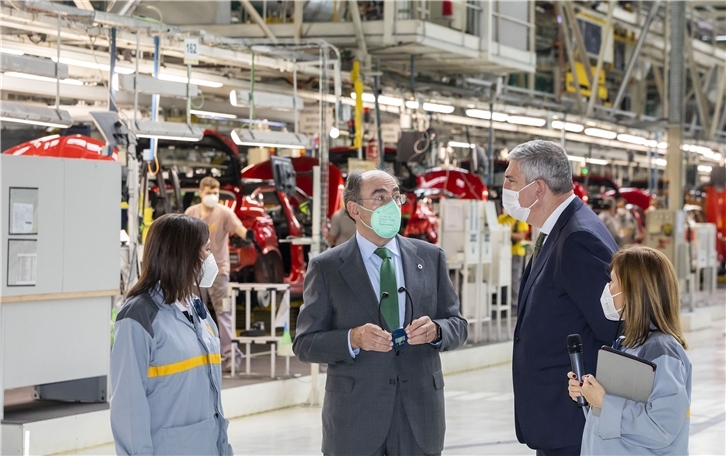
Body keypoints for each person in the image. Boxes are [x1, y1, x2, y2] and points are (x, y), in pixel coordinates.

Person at [293, 170, 468, 456]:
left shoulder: (430, 257)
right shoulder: (327, 267)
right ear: (354, 209)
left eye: (396, 196)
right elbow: (305, 344)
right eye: (379, 197)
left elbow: (457, 325)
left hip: (419, 420)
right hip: (355, 422)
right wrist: (353, 338)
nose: (392, 205)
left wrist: (437, 331)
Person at [503, 140, 620, 456]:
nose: (504, 188)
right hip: (557, 419)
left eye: (511, 180)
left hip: (573, 422)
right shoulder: (557, 232)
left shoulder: (577, 239)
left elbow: (614, 330)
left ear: (537, 188)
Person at [110, 214, 232, 455]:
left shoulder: (198, 310)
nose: (211, 259)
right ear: (185, 255)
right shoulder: (138, 317)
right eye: (206, 250)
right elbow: (128, 406)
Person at [567, 246, 691, 455]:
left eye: (613, 281)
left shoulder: (662, 352)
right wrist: (590, 394)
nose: (608, 288)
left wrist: (604, 403)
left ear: (633, 292)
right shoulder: (629, 343)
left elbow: (663, 428)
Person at [185, 176, 249, 371]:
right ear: (200, 192)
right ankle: (198, 352)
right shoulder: (191, 213)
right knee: (194, 311)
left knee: (223, 312)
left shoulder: (224, 213)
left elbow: (238, 228)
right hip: (194, 270)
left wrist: (248, 235)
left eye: (216, 192)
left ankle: (231, 355)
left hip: (218, 270)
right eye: (209, 192)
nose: (213, 196)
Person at [498, 211, 529, 309]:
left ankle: (515, 303)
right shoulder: (502, 218)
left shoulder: (520, 220)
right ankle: (504, 301)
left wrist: (507, 233)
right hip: (501, 255)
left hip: (516, 253)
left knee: (515, 279)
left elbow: (521, 236)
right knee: (502, 279)